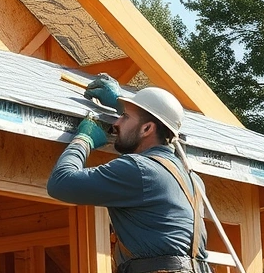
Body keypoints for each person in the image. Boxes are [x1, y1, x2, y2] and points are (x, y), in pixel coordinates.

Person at [46, 74, 210, 273]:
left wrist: (83, 140)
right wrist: (122, 105)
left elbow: (61, 183)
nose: (116, 123)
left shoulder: (139, 169)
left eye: (124, 117)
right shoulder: (193, 180)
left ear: (147, 128)